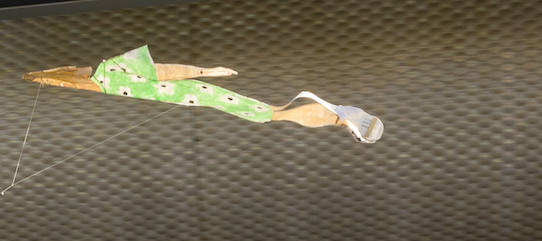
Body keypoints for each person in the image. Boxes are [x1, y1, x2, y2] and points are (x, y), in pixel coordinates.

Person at [25, 45, 384, 143]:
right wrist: (206, 73)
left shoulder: (113, 74)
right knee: (271, 114)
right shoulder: (109, 77)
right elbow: (167, 74)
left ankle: (341, 118)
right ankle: (341, 117)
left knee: (272, 114)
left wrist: (207, 71)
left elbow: (166, 71)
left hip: (197, 92)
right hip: (195, 94)